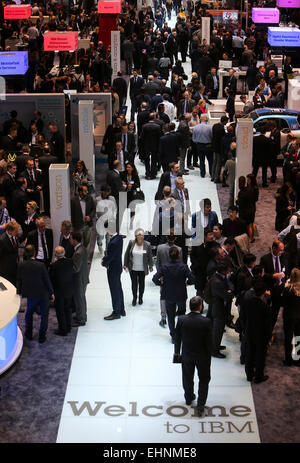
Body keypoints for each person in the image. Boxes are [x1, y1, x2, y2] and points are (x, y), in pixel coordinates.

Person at [174, 296, 212, 416]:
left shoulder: (181, 319)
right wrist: (209, 355)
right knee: (204, 379)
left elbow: (177, 338)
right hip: (203, 357)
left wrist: (177, 352)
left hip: (187, 355)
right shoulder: (206, 321)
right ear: (200, 307)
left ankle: (188, 397)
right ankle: (200, 405)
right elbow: (209, 341)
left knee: (187, 377)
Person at [152, 246, 195, 343]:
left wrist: (161, 284)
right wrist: (187, 283)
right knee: (181, 315)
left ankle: (173, 335)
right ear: (179, 255)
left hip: (168, 295)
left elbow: (154, 279)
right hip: (181, 295)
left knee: (170, 316)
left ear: (169, 255)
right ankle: (181, 333)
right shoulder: (183, 267)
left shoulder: (164, 266)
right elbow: (193, 279)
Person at [17, 244, 54, 343]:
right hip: (43, 294)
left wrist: (19, 293)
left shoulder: (21, 265)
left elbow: (19, 280)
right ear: (35, 253)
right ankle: (42, 337)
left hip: (31, 295)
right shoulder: (41, 265)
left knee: (29, 314)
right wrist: (52, 293)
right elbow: (46, 280)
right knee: (44, 315)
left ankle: (28, 335)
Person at [243, 277, 272, 383]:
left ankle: (249, 375)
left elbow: (243, 317)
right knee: (260, 356)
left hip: (249, 332)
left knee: (249, 353)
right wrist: (269, 336)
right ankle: (259, 376)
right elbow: (267, 325)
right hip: (261, 335)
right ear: (264, 292)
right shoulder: (265, 307)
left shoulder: (247, 302)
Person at [260, 240, 287, 334]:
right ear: (274, 248)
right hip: (269, 289)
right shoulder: (265, 259)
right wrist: (273, 276)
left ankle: (269, 332)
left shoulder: (284, 256)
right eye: (280, 250)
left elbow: (286, 269)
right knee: (265, 311)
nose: (281, 252)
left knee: (275, 311)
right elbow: (262, 275)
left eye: (282, 250)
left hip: (280, 289)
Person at [209, 261, 234, 358]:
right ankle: (214, 350)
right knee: (217, 331)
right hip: (218, 309)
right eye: (228, 270)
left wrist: (229, 290)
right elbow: (227, 296)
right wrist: (230, 292)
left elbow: (230, 286)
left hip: (221, 307)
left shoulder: (219, 277)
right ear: (223, 271)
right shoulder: (217, 281)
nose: (229, 271)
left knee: (218, 330)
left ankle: (216, 346)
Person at [124, 228, 153, 306]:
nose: (140, 236)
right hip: (132, 268)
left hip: (142, 269)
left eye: (142, 235)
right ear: (136, 236)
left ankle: (140, 297)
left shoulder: (147, 244)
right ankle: (134, 298)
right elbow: (127, 254)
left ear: (143, 236)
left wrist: (151, 266)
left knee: (141, 284)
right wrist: (125, 264)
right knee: (134, 284)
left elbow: (150, 256)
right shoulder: (131, 243)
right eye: (139, 235)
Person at [49, 246, 74, 336]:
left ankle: (63, 330)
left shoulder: (54, 266)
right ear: (64, 253)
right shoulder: (70, 262)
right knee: (68, 309)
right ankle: (68, 326)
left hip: (59, 292)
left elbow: (51, 279)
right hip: (69, 290)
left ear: (55, 254)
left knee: (60, 311)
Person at [102, 231, 125, 320]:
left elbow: (110, 256)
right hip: (117, 267)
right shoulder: (119, 237)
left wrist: (103, 262)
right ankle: (121, 309)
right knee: (118, 288)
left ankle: (116, 312)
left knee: (114, 290)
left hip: (113, 269)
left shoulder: (114, 242)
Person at [70, 231, 89, 327]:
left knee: (80, 298)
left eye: (71, 238)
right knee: (80, 298)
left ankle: (81, 319)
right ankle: (80, 315)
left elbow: (75, 268)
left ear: (74, 239)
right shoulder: (81, 248)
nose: (70, 240)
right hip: (82, 278)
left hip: (79, 279)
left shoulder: (78, 252)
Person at [282, 268, 300, 366]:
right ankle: (298, 359)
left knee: (288, 339)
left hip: (289, 317)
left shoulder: (287, 290)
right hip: (299, 317)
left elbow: (283, 304)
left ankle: (288, 360)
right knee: (298, 337)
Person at [71, 184, 96, 252]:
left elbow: (94, 209)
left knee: (87, 242)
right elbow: (72, 213)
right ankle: (79, 257)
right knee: (78, 243)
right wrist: (73, 226)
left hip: (88, 225)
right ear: (80, 192)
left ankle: (85, 256)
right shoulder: (73, 200)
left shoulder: (90, 198)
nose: (87, 192)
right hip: (78, 226)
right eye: (85, 191)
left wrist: (90, 217)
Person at [192, 114, 212, 178]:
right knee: (210, 160)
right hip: (208, 145)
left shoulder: (196, 127)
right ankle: (211, 173)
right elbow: (212, 137)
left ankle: (202, 174)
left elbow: (193, 138)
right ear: (206, 119)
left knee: (201, 160)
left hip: (199, 145)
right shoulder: (210, 127)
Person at [0, 220, 19, 285]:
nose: (17, 232)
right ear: (9, 230)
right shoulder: (2, 240)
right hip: (6, 270)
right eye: (15, 231)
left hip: (14, 267)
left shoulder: (14, 237)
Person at [211, 116, 229, 184]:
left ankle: (213, 176)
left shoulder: (215, 126)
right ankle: (216, 178)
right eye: (226, 121)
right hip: (219, 149)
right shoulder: (221, 129)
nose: (227, 122)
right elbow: (222, 140)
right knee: (218, 163)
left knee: (214, 162)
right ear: (224, 121)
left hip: (214, 147)